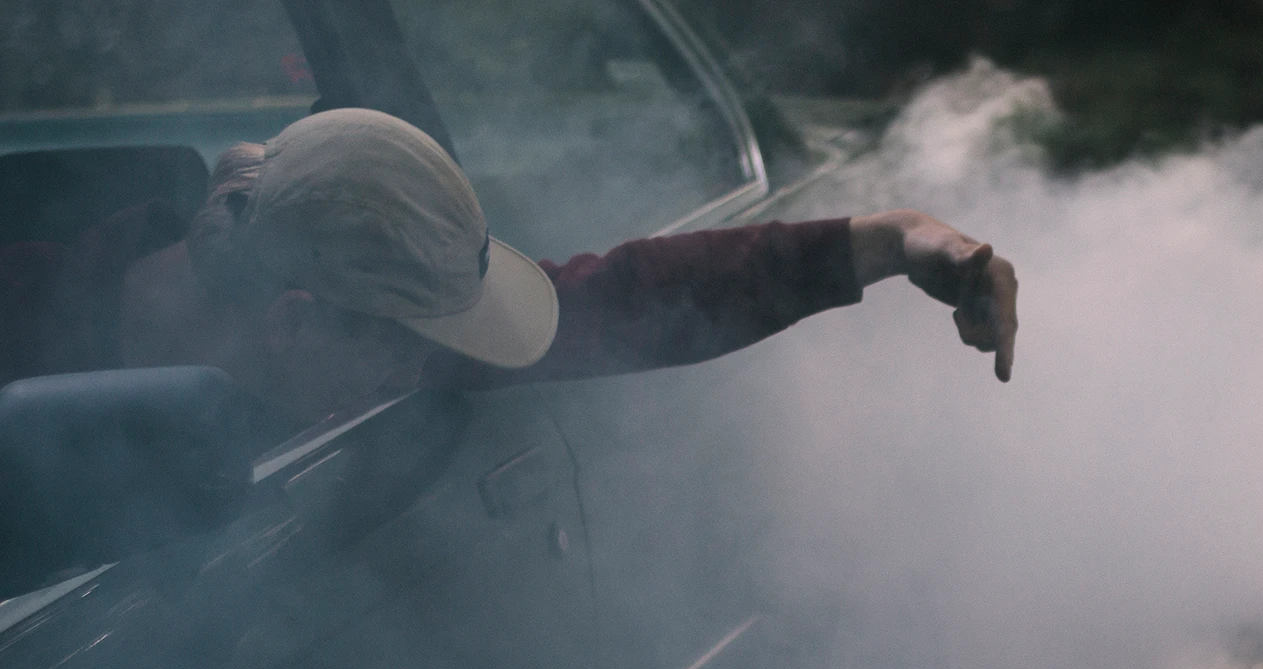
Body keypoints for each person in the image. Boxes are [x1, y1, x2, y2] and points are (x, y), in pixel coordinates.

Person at [0, 106, 1018, 440]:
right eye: (408, 355)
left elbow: (616, 304)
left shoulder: (326, 329)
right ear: (297, 326)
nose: (421, 378)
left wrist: (890, 242)